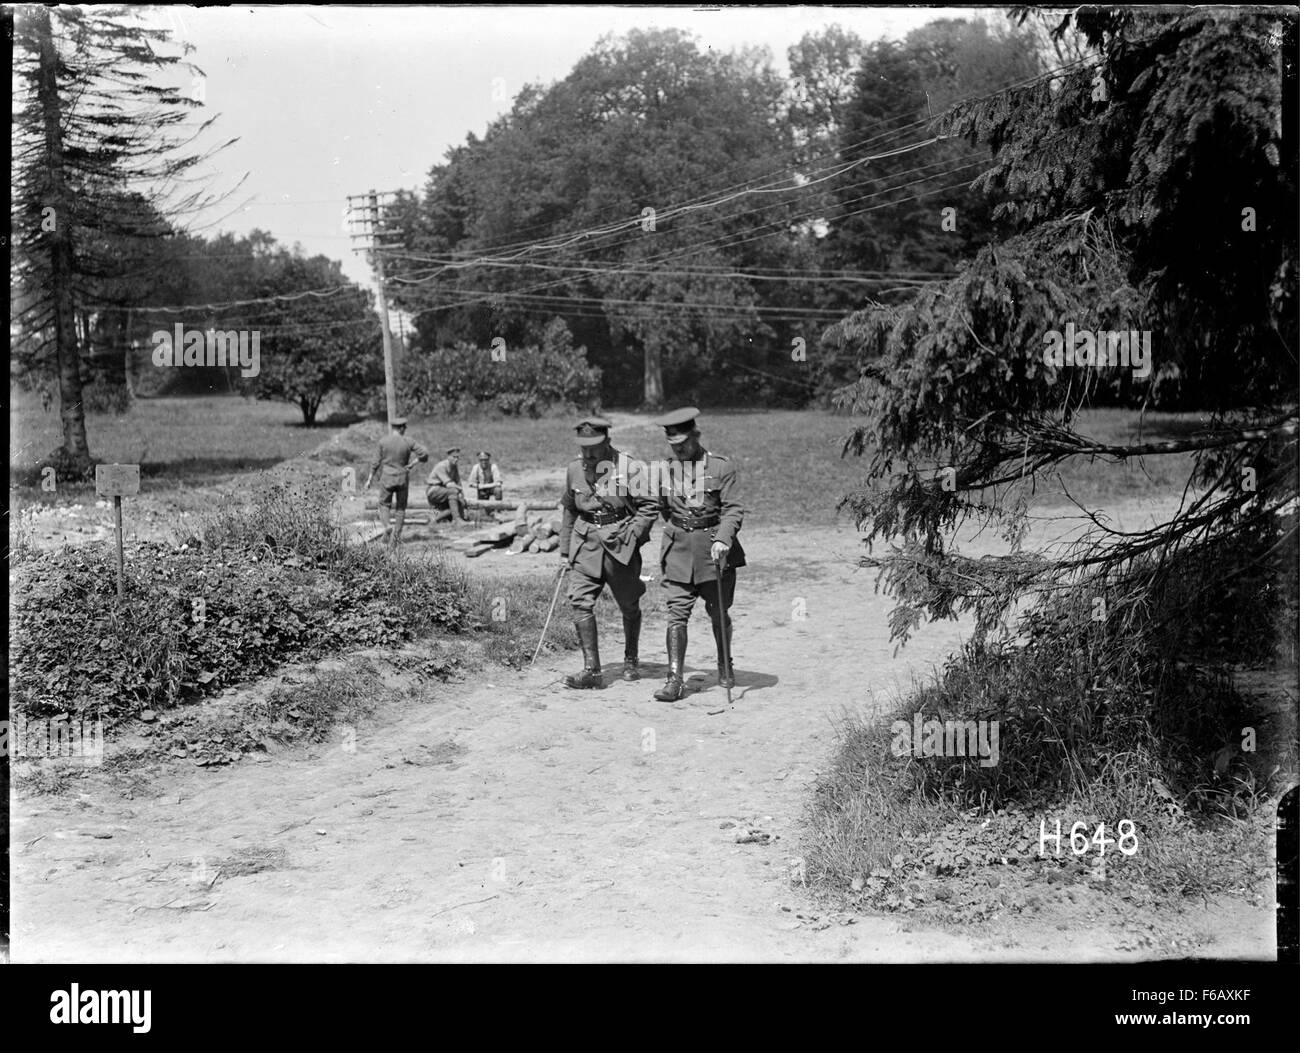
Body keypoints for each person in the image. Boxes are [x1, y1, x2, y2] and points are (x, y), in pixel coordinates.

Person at [650, 407, 746, 702]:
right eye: (673, 445)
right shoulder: (663, 470)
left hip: (713, 550)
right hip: (678, 549)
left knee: (719, 611)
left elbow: (733, 509)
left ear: (696, 436)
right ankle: (675, 680)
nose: (679, 449)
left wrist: (723, 538)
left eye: (684, 444)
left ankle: (724, 662)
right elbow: (664, 509)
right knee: (676, 613)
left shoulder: (720, 467)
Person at [557, 416, 658, 688]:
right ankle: (592, 670)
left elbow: (649, 506)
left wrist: (632, 535)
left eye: (594, 447)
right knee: (579, 601)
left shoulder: (628, 467)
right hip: (585, 543)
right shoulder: (574, 469)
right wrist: (565, 551)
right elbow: (570, 509)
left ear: (608, 442)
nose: (588, 454)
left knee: (628, 603)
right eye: (583, 448)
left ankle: (631, 658)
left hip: (619, 543)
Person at [365, 417, 429, 546]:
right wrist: (413, 463)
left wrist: (370, 478)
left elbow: (376, 461)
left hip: (387, 477)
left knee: (384, 504)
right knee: (400, 508)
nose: (405, 430)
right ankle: (395, 539)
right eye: (404, 428)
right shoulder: (408, 441)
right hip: (402, 477)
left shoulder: (383, 441)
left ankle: (387, 526)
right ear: (401, 428)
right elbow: (424, 453)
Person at [426, 447, 468, 523]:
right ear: (448, 457)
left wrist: (462, 496)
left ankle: (437, 518)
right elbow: (449, 484)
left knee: (458, 504)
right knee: (453, 491)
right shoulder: (441, 466)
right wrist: (460, 490)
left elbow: (458, 482)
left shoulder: (454, 467)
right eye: (454, 457)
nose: (456, 459)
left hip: (444, 492)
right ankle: (457, 519)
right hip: (434, 490)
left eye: (457, 457)